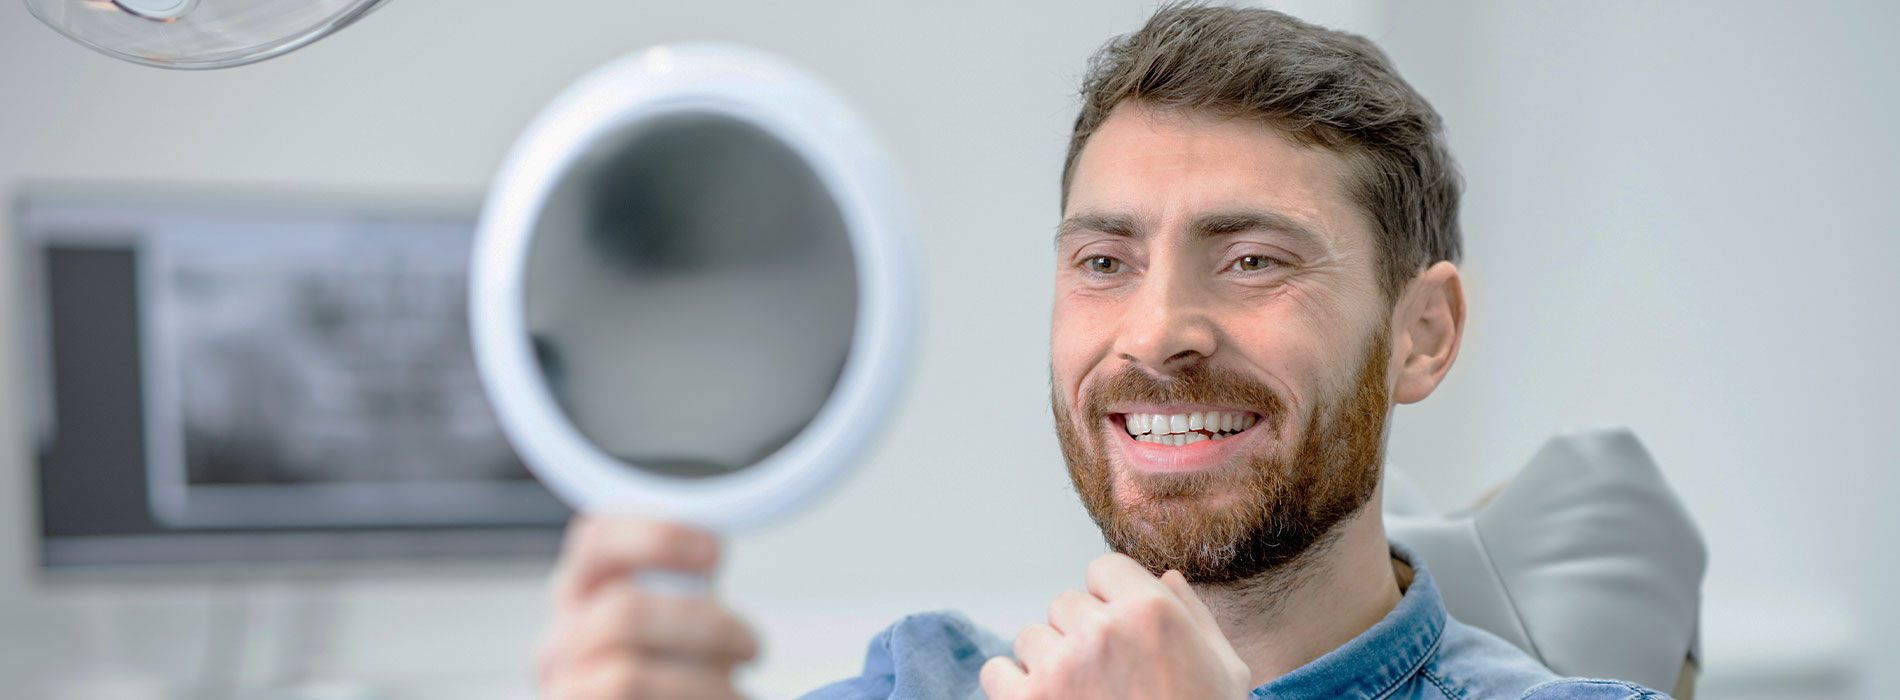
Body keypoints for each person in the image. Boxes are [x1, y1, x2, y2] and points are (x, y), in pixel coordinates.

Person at [531, 4, 1676, 699]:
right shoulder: (922, 681)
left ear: (1422, 336)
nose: (1154, 330)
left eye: (1253, 261)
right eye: (1104, 262)